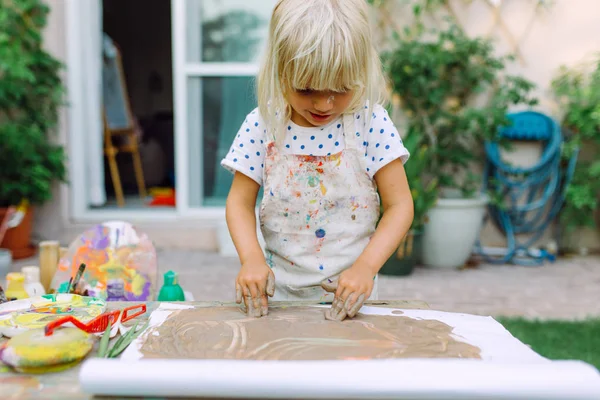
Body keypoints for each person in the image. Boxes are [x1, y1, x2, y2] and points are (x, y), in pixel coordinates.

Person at [221, 0, 414, 320]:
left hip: (353, 298)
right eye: (307, 88)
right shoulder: (264, 123)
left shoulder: (371, 123)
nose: (324, 103)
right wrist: (251, 258)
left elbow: (400, 206)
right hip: (277, 299)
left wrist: (365, 267)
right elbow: (239, 204)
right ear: (280, 72)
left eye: (341, 89)